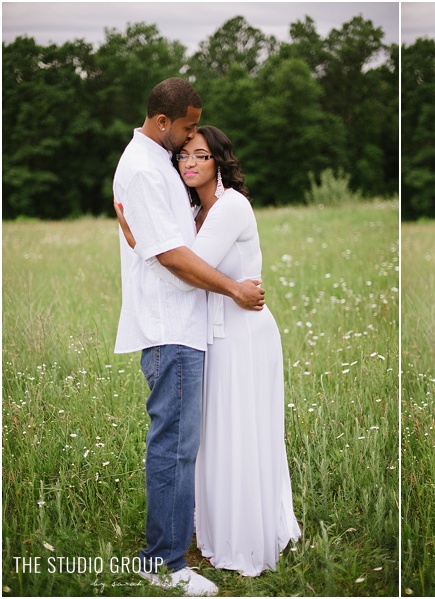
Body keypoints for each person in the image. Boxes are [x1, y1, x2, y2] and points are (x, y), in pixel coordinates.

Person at [117, 125, 301, 576]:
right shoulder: (194, 209)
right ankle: (210, 530)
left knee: (241, 432)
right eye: (183, 156)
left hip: (243, 335)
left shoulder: (231, 207)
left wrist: (138, 241)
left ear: (219, 161)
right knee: (212, 438)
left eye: (200, 155)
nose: (190, 164)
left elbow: (186, 268)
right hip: (210, 334)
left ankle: (245, 536)